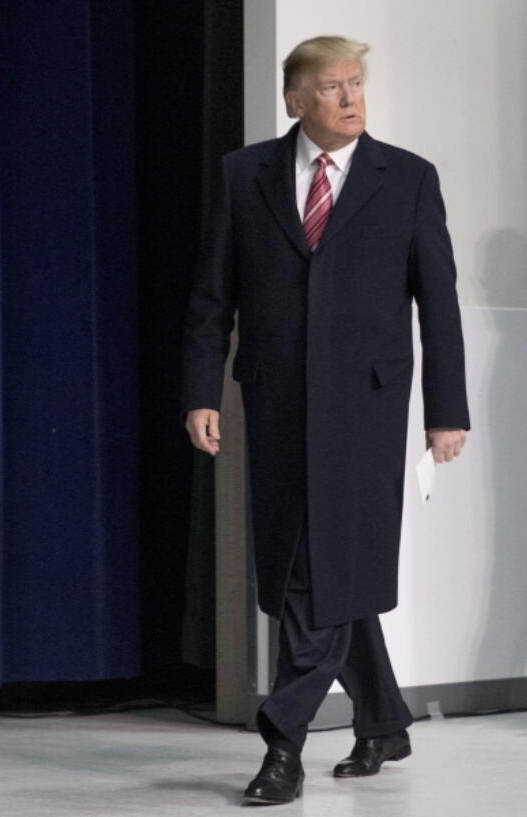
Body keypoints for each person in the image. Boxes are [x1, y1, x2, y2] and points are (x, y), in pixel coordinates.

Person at [182, 36, 469, 805]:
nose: (350, 98)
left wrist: (448, 411)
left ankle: (283, 742)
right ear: (295, 100)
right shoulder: (244, 175)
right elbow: (214, 296)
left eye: (356, 84)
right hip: (274, 403)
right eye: (332, 86)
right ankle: (383, 717)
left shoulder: (406, 178)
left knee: (317, 574)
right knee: (310, 569)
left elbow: (438, 304)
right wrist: (202, 392)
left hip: (369, 412)